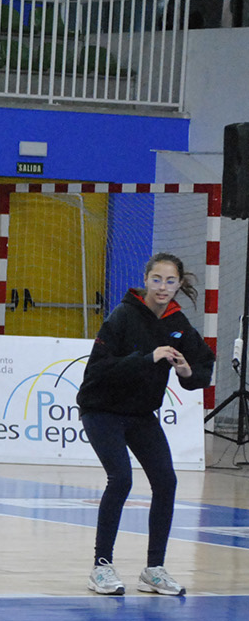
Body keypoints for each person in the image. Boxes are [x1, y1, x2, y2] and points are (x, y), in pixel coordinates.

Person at [78, 252, 214, 597]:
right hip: (101, 409)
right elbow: (97, 370)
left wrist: (187, 373)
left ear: (179, 284)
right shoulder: (123, 316)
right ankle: (101, 567)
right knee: (120, 478)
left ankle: (154, 569)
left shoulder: (178, 323)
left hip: (140, 415)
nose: (163, 287)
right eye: (157, 279)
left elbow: (202, 368)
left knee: (166, 481)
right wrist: (147, 358)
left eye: (170, 281)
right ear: (146, 279)